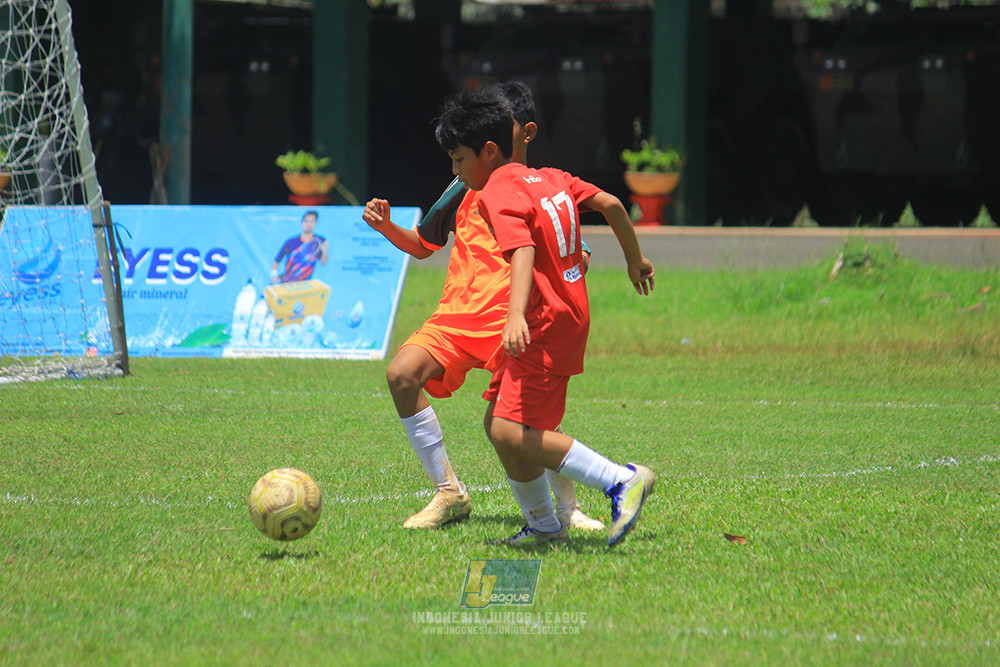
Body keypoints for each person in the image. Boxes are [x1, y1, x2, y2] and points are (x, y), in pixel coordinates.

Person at [362, 82, 603, 532]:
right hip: (456, 317)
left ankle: (568, 510)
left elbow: (575, 253)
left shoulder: (540, 188)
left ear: (520, 134)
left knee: (528, 421)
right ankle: (449, 492)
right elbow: (423, 244)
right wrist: (388, 227)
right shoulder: (462, 187)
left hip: (514, 321)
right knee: (401, 374)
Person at [434, 87, 657, 547]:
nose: (455, 171)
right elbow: (612, 204)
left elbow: (523, 250)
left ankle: (620, 480)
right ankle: (543, 525)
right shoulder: (551, 176)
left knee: (511, 430)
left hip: (542, 321)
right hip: (569, 314)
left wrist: (515, 315)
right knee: (497, 422)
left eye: (458, 159)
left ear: (489, 151)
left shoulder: (496, 192)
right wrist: (635, 260)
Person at [271, 210, 328, 284]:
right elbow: (276, 261)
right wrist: (274, 275)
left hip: (306, 285)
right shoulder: (290, 242)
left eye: (312, 221)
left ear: (315, 223)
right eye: (306, 221)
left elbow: (323, 262)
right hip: (288, 284)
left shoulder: (319, 241)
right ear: (302, 223)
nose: (308, 224)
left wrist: (325, 250)